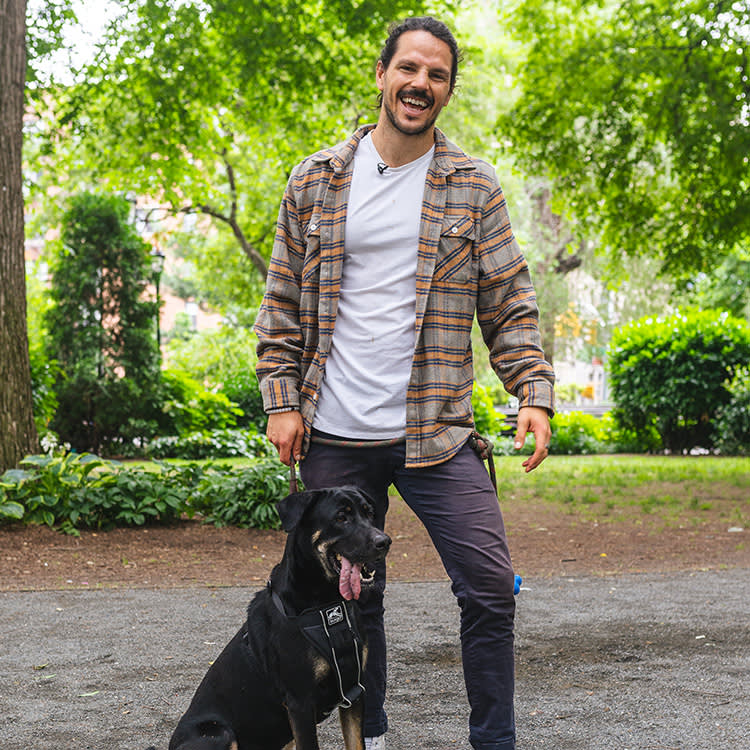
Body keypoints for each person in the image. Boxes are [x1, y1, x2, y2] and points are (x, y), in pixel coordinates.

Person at [254, 16, 554, 750]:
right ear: (383, 74)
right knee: (354, 598)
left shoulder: (473, 188)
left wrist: (533, 393)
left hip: (438, 430)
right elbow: (281, 305)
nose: (421, 83)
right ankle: (374, 737)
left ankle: (496, 742)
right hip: (335, 431)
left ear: (447, 89)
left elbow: (509, 301)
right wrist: (281, 400)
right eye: (410, 68)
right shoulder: (315, 180)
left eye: (437, 74)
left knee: (488, 586)